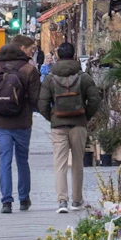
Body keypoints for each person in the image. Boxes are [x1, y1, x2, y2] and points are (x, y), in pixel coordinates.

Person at [37, 42, 102, 214]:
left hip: (58, 125)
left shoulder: (50, 78)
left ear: (57, 56)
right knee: (78, 162)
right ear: (74, 56)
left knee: (60, 163)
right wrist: (85, 116)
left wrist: (53, 117)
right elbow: (95, 100)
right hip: (78, 124)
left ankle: (62, 201)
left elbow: (42, 104)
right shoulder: (83, 77)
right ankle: (77, 200)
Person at [0, 36, 40, 212]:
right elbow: (36, 99)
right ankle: (24, 199)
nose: (32, 52)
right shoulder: (29, 69)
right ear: (22, 48)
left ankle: (6, 201)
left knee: (5, 160)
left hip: (1, 122)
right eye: (30, 49)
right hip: (22, 122)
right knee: (22, 160)